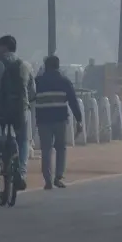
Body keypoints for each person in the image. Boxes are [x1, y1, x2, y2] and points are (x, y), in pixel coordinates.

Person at [0, 34, 36, 191]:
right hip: (21, 109)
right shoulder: (26, 65)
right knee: (23, 141)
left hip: (0, 110)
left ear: (4, 47)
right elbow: (33, 92)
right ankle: (22, 173)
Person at [34, 55, 84, 189]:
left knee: (46, 149)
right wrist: (79, 120)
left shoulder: (38, 81)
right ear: (57, 66)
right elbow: (73, 102)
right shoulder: (64, 81)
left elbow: (30, 98)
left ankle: (47, 179)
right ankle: (58, 177)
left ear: (46, 66)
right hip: (60, 119)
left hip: (43, 119)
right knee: (60, 148)